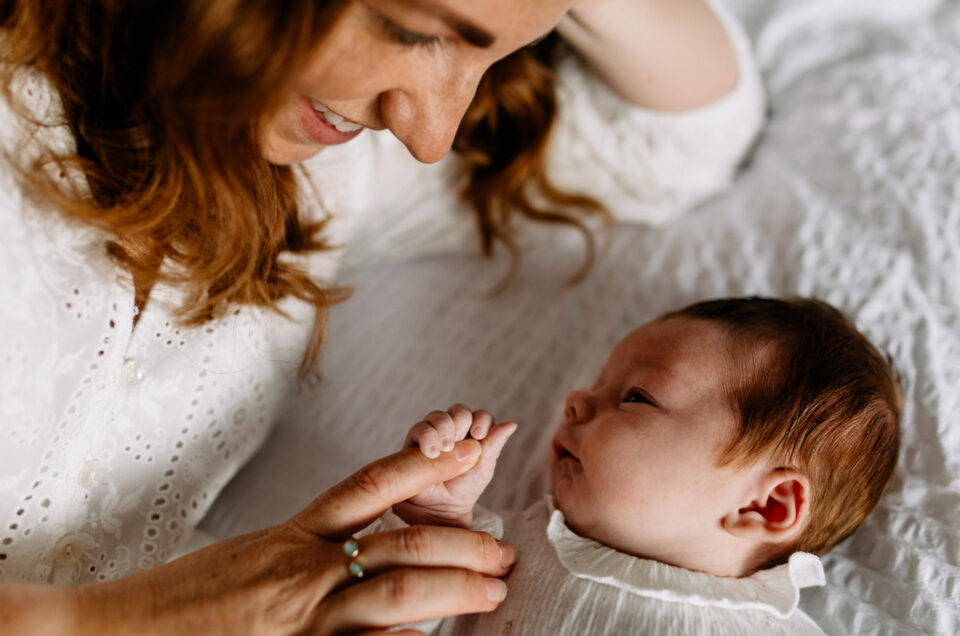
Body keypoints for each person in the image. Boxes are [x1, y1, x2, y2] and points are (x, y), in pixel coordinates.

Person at [0, 0, 764, 631]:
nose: (430, 135)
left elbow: (681, 141)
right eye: (418, 32)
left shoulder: (330, 167)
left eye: (491, 57)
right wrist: (120, 619)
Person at [378, 297, 901, 634]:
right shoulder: (499, 548)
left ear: (766, 504)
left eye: (636, 397)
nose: (577, 400)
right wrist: (435, 517)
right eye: (600, 384)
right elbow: (393, 606)